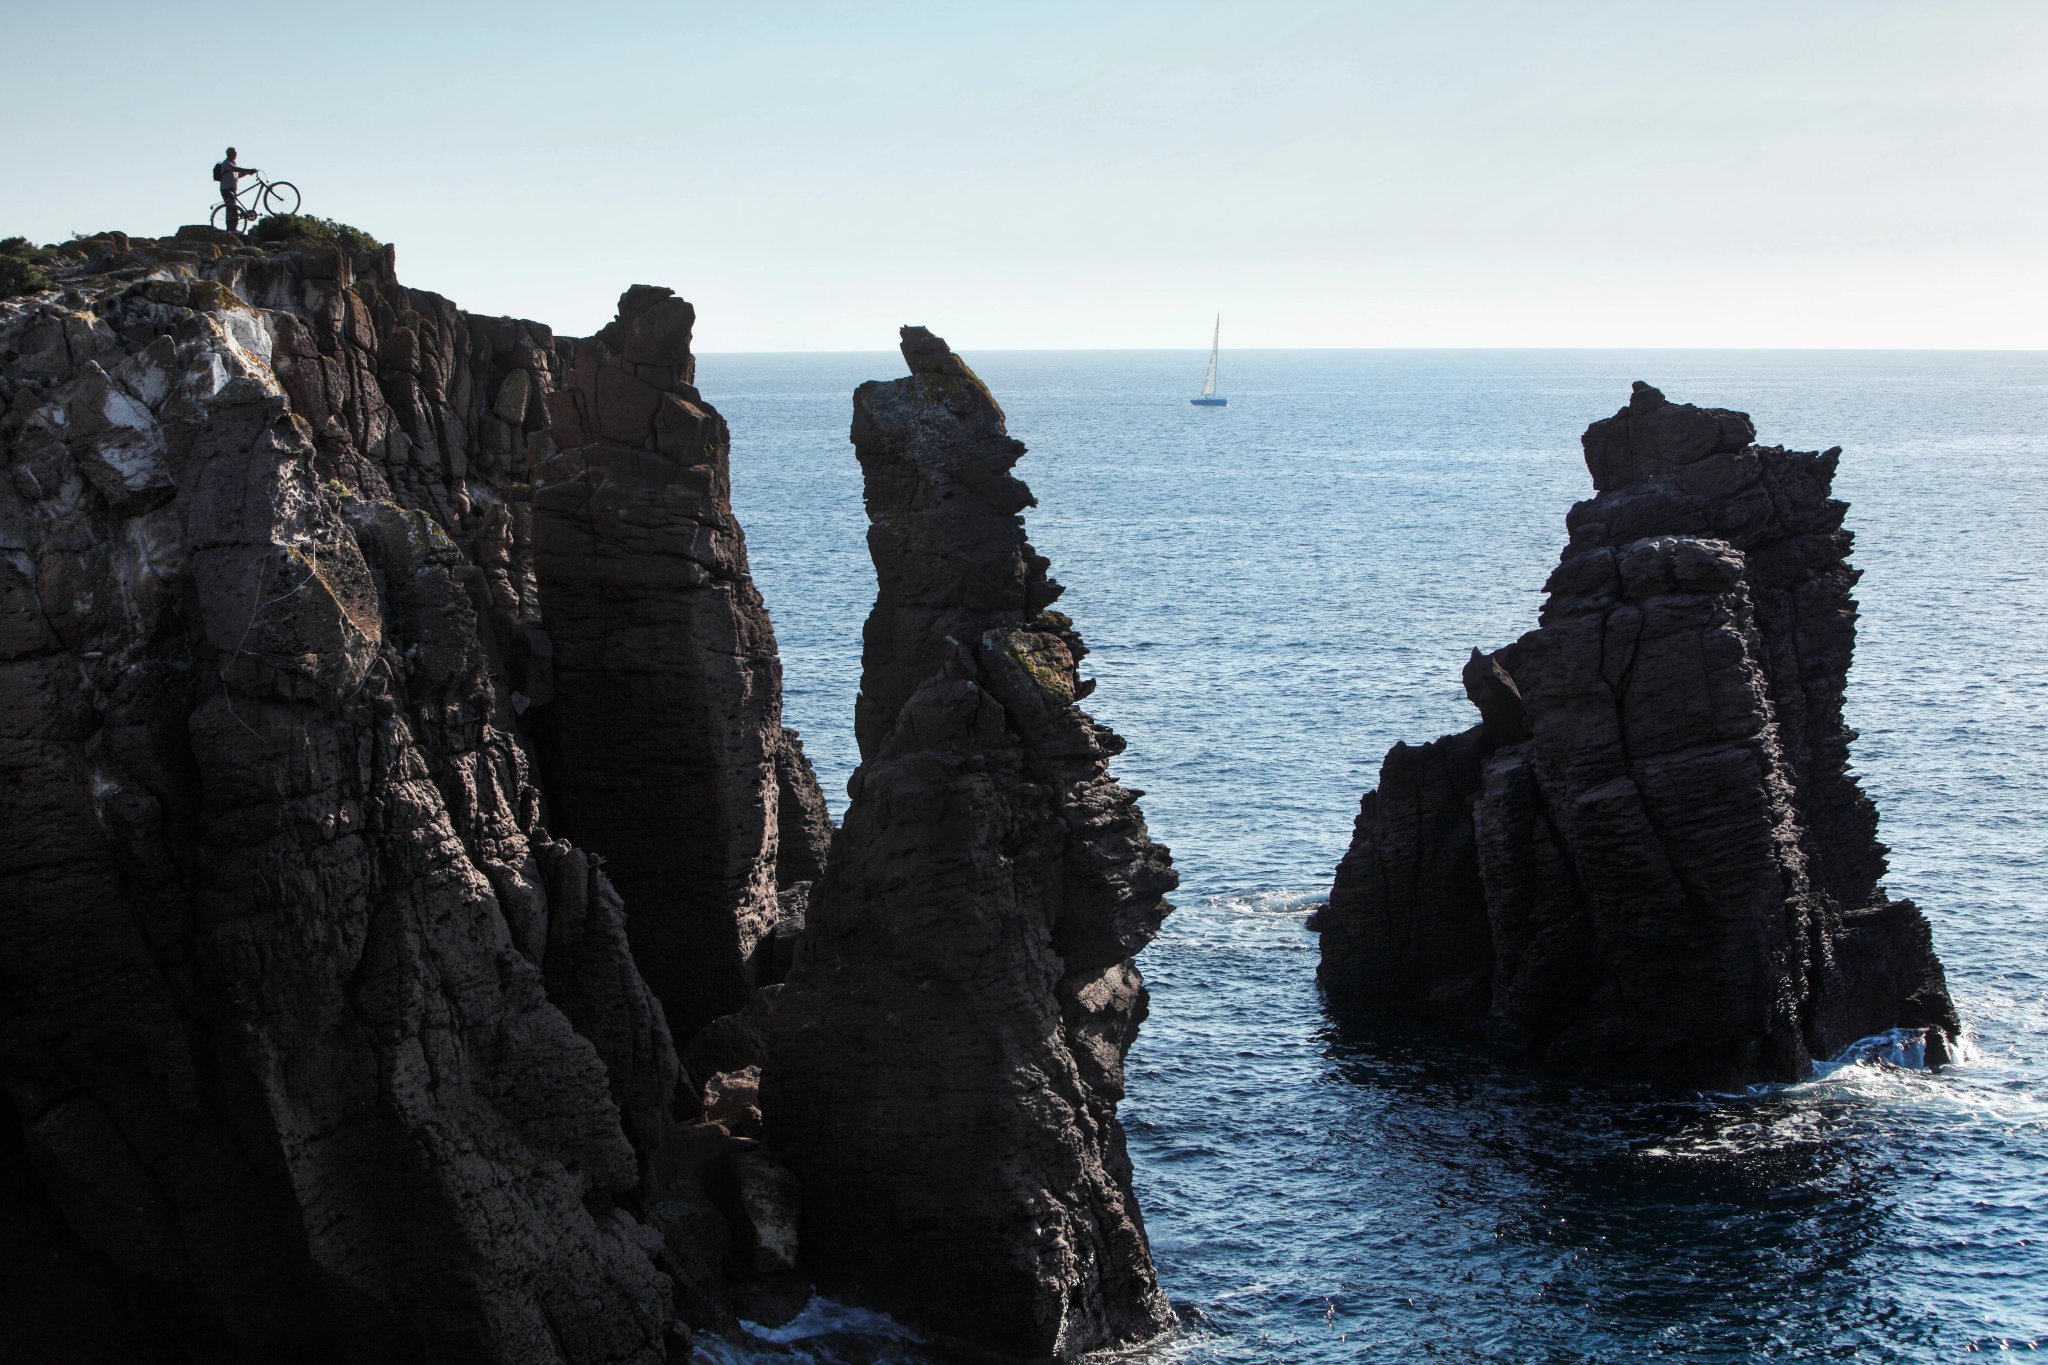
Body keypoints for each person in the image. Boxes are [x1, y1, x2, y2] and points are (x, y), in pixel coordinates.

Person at [212, 148, 259, 234]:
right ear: (229, 154)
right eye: (234, 153)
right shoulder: (226, 163)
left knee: (233, 208)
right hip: (226, 189)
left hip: (232, 189)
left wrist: (247, 173)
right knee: (231, 208)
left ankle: (232, 228)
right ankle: (231, 229)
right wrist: (248, 170)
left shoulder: (232, 163)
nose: (236, 154)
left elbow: (237, 175)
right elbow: (236, 169)